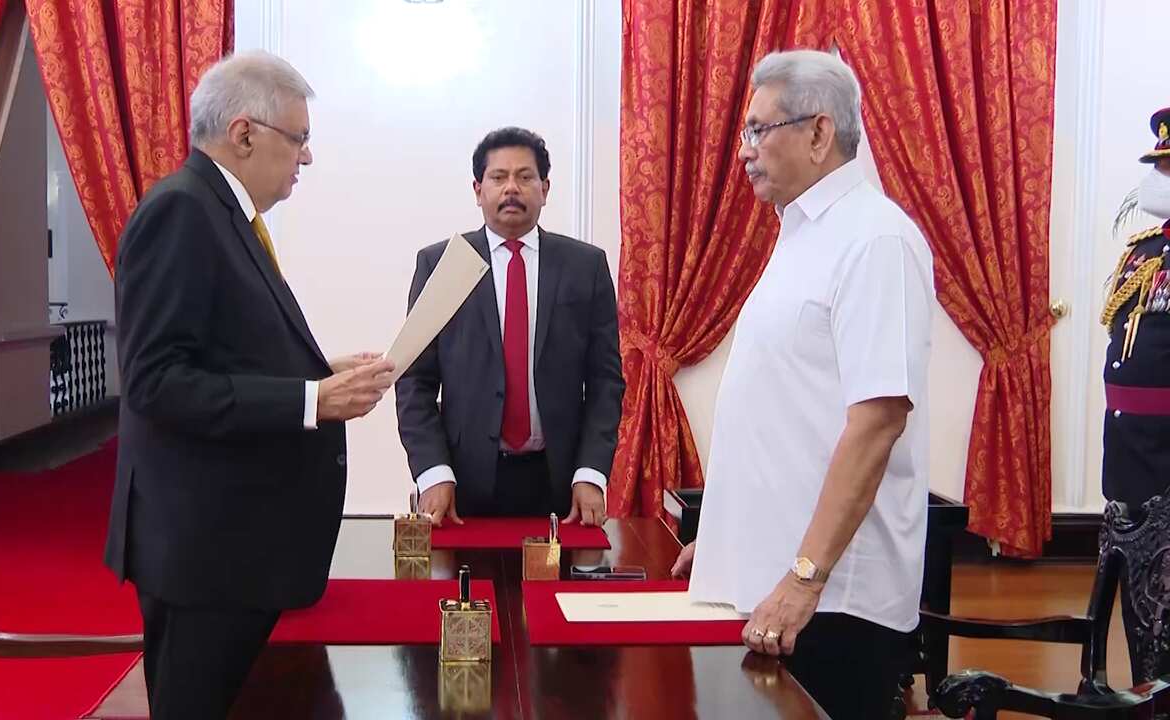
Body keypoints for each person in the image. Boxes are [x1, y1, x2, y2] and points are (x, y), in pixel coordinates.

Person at [103, 51, 394, 719]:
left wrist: (321, 372)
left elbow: (224, 350)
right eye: (300, 139)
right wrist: (309, 400)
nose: (307, 159)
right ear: (244, 135)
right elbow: (157, 381)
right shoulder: (181, 211)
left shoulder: (221, 213)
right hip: (206, 551)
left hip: (236, 544)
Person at [671, 50, 934, 719]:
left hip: (833, 600)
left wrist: (802, 576)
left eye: (760, 130)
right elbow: (789, 409)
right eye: (744, 133)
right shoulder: (800, 234)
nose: (744, 151)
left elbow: (876, 422)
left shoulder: (874, 240)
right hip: (782, 580)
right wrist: (736, 529)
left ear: (820, 132)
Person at [395, 127, 624, 527]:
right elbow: (414, 381)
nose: (511, 188)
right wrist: (433, 471)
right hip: (461, 485)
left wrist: (591, 472)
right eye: (498, 178)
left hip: (559, 485)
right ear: (478, 188)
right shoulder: (442, 265)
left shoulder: (584, 267)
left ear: (545, 188)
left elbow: (605, 381)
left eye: (525, 176)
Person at [1099, 105, 1170, 682]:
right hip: (1128, 452)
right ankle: (1148, 686)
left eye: (1167, 170)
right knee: (1137, 591)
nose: (1156, 180)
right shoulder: (1145, 251)